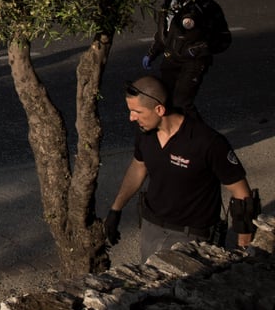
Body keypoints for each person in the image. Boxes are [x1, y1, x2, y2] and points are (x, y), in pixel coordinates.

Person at [104, 76, 258, 262]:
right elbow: (138, 167)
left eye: (137, 111)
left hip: (191, 238)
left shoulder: (207, 142)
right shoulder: (145, 134)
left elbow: (241, 194)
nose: (131, 117)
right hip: (150, 229)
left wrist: (243, 248)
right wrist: (116, 209)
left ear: (159, 109)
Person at [143, 0, 231, 119]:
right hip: (171, 59)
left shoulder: (203, 6)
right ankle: (176, 134)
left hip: (194, 62)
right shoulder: (167, 4)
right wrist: (152, 53)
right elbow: (164, 33)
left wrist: (197, 50)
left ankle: (198, 135)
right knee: (166, 99)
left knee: (182, 102)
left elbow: (222, 37)